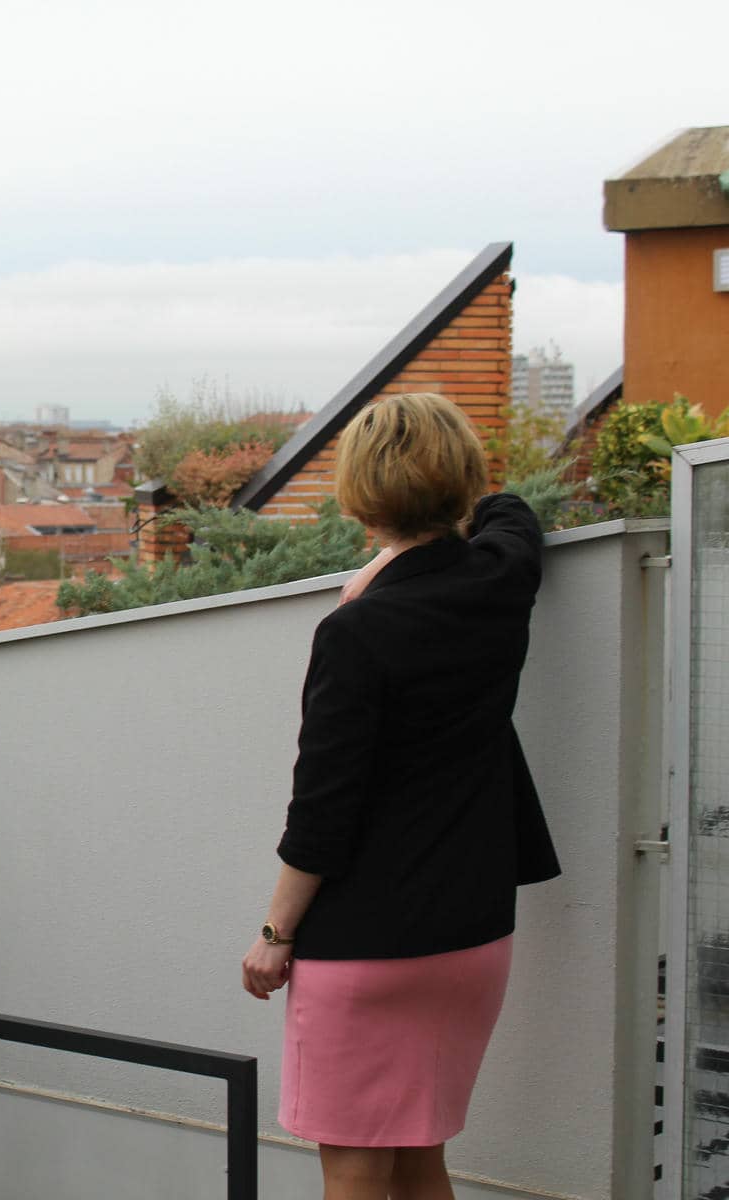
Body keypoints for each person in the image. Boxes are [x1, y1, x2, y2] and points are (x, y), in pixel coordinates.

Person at [239, 392, 561, 1200]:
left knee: (354, 1168)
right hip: (472, 936)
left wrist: (275, 935)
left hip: (367, 946)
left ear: (359, 494)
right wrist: (434, 526)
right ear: (459, 479)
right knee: (421, 1159)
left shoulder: (355, 632)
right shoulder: (499, 578)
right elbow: (511, 515)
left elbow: (323, 809)